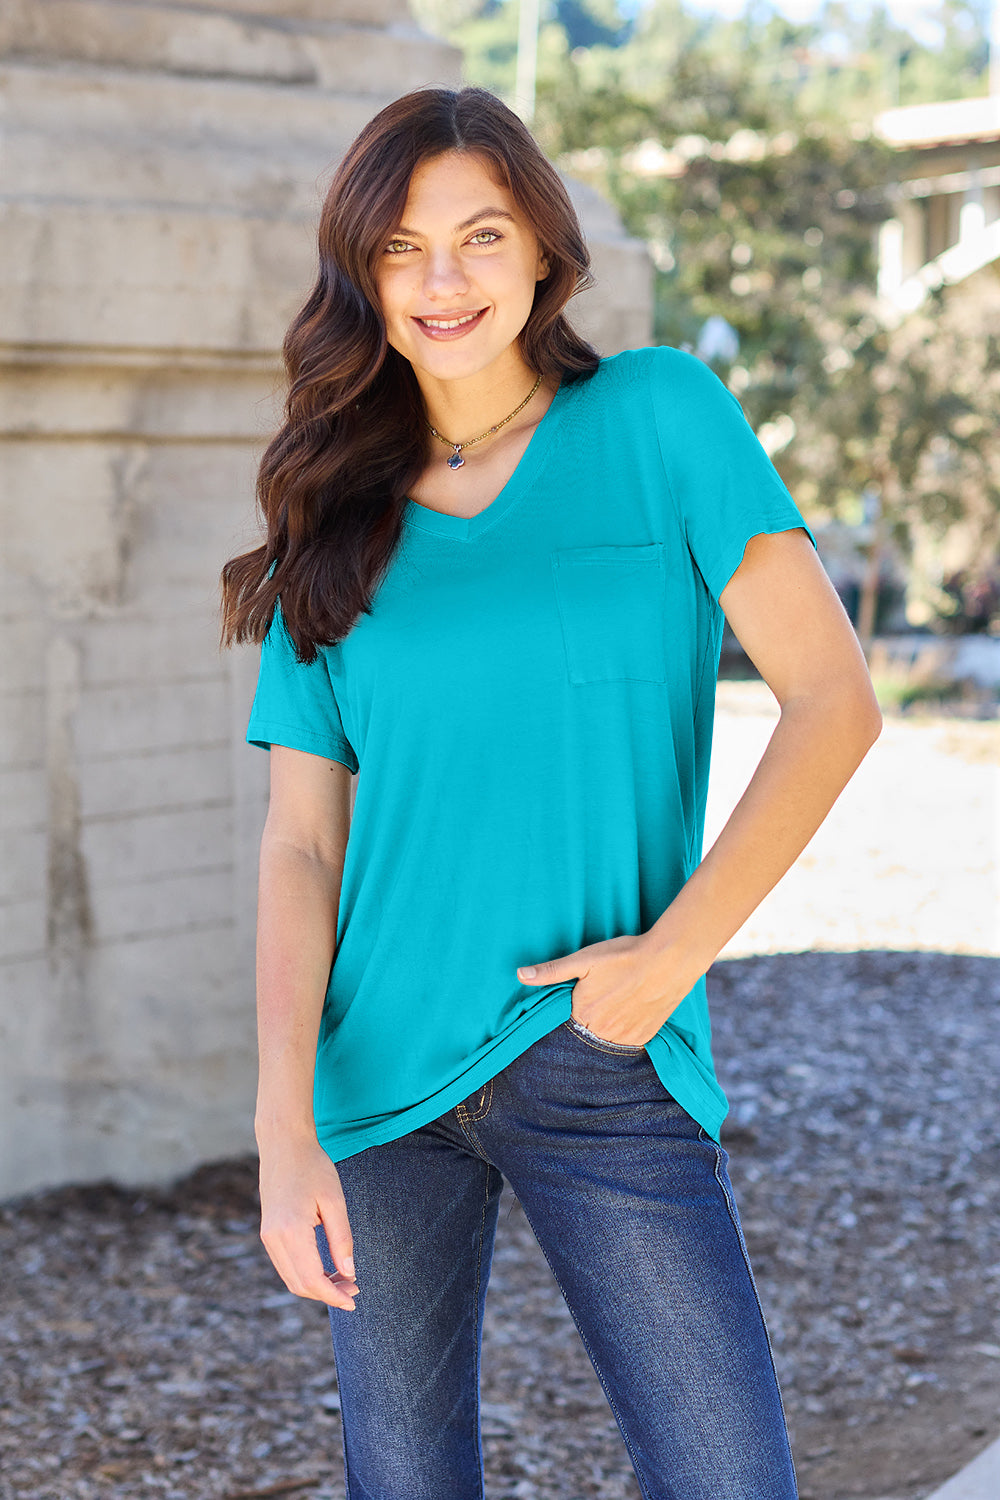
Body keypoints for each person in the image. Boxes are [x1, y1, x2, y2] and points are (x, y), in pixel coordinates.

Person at [220, 84, 882, 1500]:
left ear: (543, 253)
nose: (443, 279)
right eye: (402, 248)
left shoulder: (658, 418)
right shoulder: (334, 515)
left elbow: (834, 701)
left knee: (729, 1480)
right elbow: (298, 850)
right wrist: (282, 1132)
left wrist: (675, 958)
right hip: (375, 1083)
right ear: (364, 275)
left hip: (602, 1049)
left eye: (479, 235)